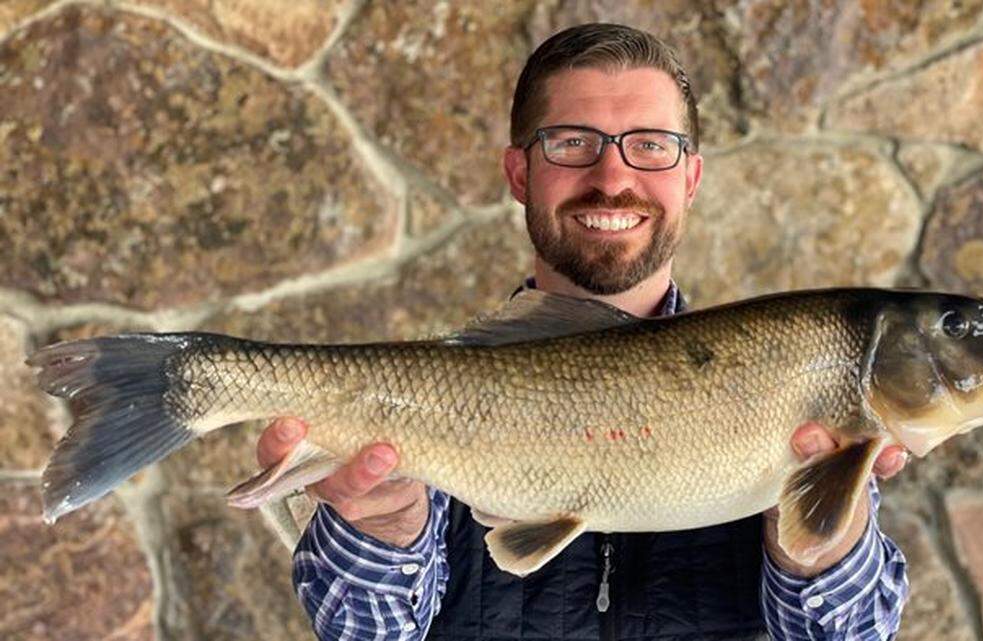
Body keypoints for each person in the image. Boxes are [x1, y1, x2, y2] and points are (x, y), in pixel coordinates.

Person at [258, 23, 910, 641]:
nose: (613, 179)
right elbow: (367, 632)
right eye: (573, 142)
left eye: (651, 145)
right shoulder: (423, 398)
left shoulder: (795, 383)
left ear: (691, 177)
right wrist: (386, 520)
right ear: (520, 174)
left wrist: (819, 529)